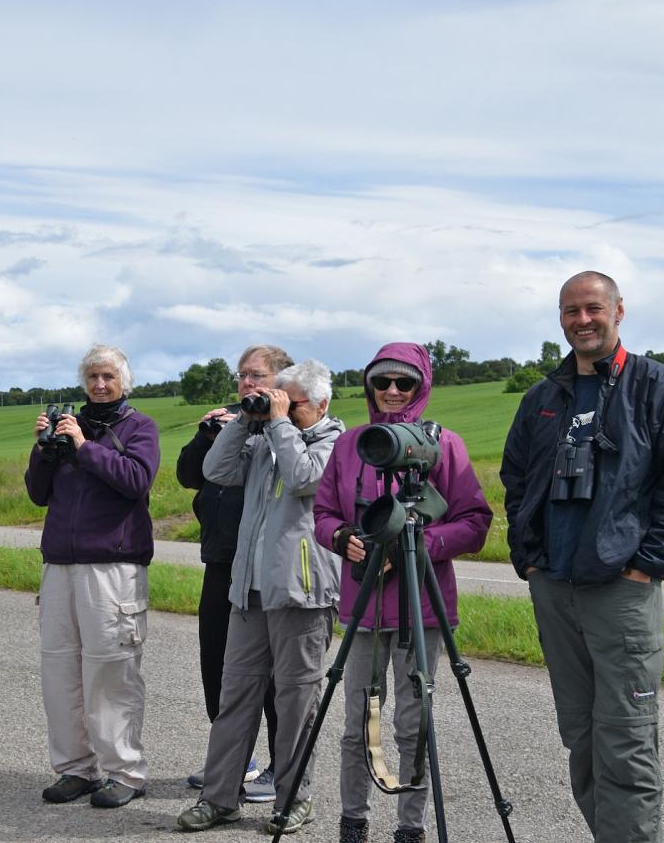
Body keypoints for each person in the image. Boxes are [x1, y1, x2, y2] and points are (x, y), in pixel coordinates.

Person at [500, 271, 664, 843]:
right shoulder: (543, 397)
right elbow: (515, 479)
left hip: (620, 587)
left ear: (618, 311)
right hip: (555, 587)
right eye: (570, 311)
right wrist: (530, 558)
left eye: (593, 308)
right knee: (582, 735)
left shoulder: (657, 387)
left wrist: (647, 567)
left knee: (627, 736)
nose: (582, 320)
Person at [313, 343, 493, 843]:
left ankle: (411, 828)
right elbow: (323, 513)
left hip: (423, 608)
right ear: (369, 386)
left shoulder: (444, 445)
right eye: (381, 382)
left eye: (404, 382)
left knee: (413, 727)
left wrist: (417, 545)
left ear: (422, 386)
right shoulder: (349, 445)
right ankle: (353, 821)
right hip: (362, 604)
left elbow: (475, 522)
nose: (392, 392)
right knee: (356, 724)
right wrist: (341, 537)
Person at [177, 359, 345, 836]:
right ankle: (221, 798)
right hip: (248, 590)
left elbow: (304, 479)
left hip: (301, 594)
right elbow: (215, 470)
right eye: (278, 402)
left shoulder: (336, 443)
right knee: (236, 698)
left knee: (295, 703)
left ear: (320, 404)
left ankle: (294, 800)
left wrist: (276, 425)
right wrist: (243, 424)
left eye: (291, 404)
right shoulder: (267, 437)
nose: (281, 411)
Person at [25, 344, 160, 809]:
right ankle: (74, 770)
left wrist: (84, 448)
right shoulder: (68, 426)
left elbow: (136, 481)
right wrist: (45, 448)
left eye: (107, 376)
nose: (99, 385)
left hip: (113, 565)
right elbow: (37, 495)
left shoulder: (138, 426)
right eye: (92, 377)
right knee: (60, 671)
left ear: (124, 380)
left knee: (111, 672)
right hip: (60, 563)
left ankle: (125, 772)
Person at [175, 345, 291, 801]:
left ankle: (283, 766)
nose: (248, 384)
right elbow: (190, 475)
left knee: (272, 676)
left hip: (266, 568)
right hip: (219, 560)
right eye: (243, 375)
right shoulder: (232, 423)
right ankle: (233, 759)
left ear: (280, 381)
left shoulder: (288, 428)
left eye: (258, 375)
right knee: (218, 666)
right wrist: (209, 434)